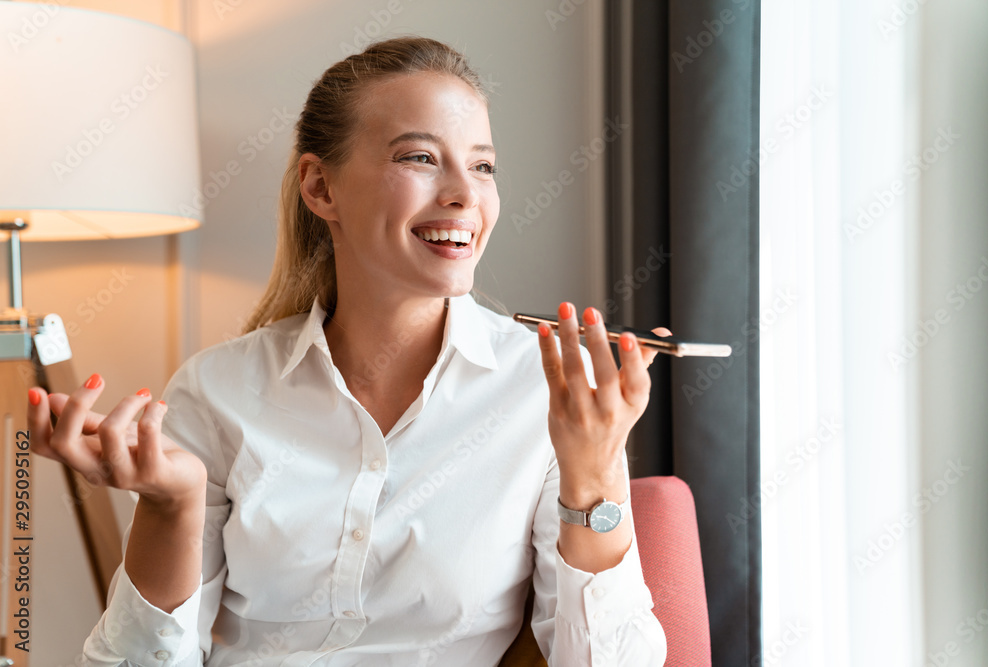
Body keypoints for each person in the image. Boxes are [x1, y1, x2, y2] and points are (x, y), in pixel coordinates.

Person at [28, 36, 669, 666]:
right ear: (320, 188)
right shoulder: (218, 389)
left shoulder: (543, 393)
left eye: (482, 165)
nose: (464, 195)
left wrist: (595, 475)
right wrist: (172, 508)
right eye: (420, 158)